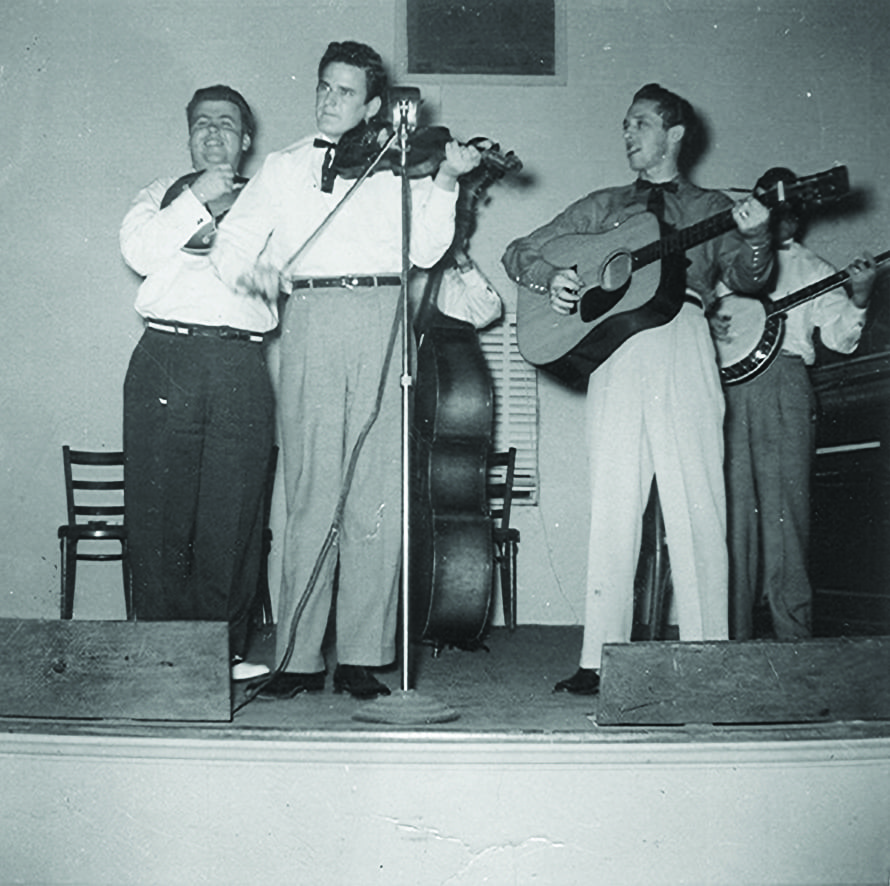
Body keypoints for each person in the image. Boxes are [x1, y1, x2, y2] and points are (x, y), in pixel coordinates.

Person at [211, 41, 481, 700]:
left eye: (344, 92)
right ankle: (298, 657)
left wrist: (447, 180)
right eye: (324, 88)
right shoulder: (281, 167)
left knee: (376, 494)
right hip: (312, 314)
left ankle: (363, 653)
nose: (330, 101)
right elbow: (233, 244)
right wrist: (256, 274)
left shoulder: (400, 166)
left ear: (375, 105)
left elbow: (426, 248)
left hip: (384, 312)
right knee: (309, 491)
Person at [502, 83, 775, 695]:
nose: (628, 134)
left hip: (682, 335)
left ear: (675, 134)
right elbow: (519, 251)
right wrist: (556, 279)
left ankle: (708, 656)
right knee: (613, 502)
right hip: (616, 351)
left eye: (642, 124)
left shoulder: (711, 206)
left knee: (697, 502)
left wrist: (757, 236)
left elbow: (747, 277)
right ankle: (599, 660)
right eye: (625, 124)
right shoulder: (604, 205)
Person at [120, 84, 275, 682]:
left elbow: (274, 280)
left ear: (245, 138)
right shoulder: (159, 194)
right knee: (159, 514)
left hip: (239, 362)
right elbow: (139, 252)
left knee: (232, 516)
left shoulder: (268, 200)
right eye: (202, 124)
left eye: (227, 124)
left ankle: (219, 656)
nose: (213, 133)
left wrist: (229, 239)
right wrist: (199, 201)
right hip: (166, 356)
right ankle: (161, 658)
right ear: (189, 136)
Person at [710, 166, 876, 641]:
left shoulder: (816, 270)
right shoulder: (729, 263)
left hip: (785, 382)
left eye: (787, 210)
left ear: (798, 216)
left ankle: (793, 636)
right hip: (728, 387)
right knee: (732, 515)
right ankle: (730, 636)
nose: (779, 217)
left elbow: (843, 339)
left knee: (788, 515)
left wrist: (860, 297)